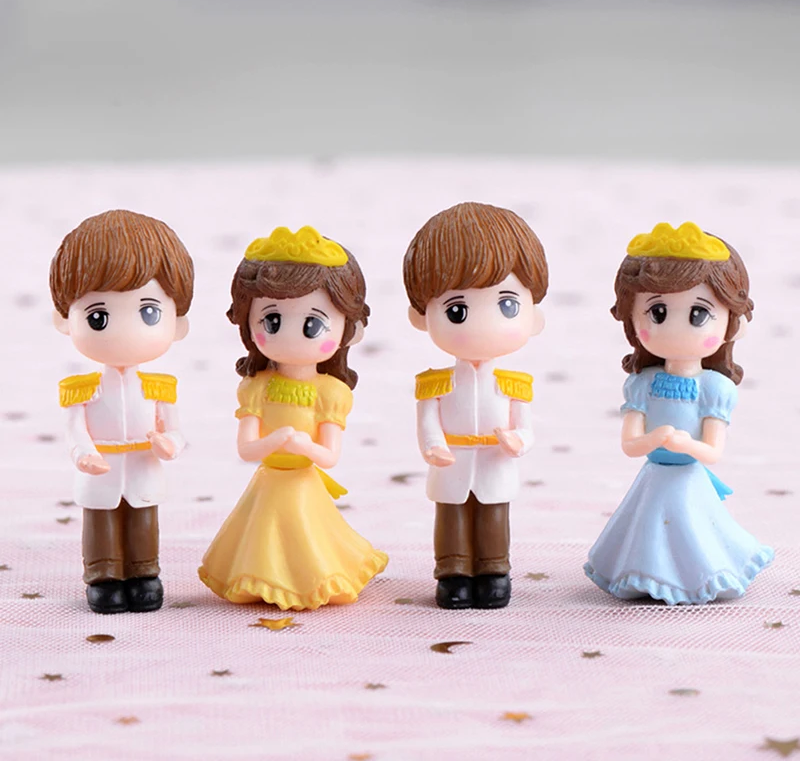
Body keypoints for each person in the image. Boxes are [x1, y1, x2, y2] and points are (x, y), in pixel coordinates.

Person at [198, 226, 388, 610]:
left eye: (312, 324)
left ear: (349, 329)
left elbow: (330, 456)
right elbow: (246, 448)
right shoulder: (257, 388)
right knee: (263, 543)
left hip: (303, 485)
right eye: (271, 321)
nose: (290, 337)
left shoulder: (330, 392)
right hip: (268, 484)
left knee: (308, 542)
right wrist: (273, 443)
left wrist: (303, 446)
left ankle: (308, 583)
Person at [584, 222, 774, 604]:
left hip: (689, 481)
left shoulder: (714, 388)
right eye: (657, 312)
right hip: (654, 480)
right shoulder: (642, 384)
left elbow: (713, 451)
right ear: (633, 318)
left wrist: (686, 444)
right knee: (648, 537)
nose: (674, 328)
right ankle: (647, 577)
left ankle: (694, 580)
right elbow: (629, 444)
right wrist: (654, 440)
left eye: (698, 314)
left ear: (732, 322)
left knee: (694, 536)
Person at [403, 202, 549, 609]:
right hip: (451, 462)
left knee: (494, 516)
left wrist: (518, 441)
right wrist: (433, 447)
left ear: (534, 316)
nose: (482, 326)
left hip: (494, 461)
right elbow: (427, 423)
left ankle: (494, 571)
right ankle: (452, 574)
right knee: (451, 518)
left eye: (507, 305)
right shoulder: (434, 384)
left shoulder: (513, 385)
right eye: (457, 310)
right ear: (421, 316)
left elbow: (526, 426)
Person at [50, 209, 194, 613]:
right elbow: (75, 430)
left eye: (149, 313)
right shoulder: (81, 390)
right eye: (98, 317)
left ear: (177, 324)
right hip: (101, 470)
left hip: (144, 466)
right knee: (101, 523)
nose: (124, 332)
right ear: (64, 319)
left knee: (143, 520)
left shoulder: (159, 388)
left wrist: (169, 444)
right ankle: (103, 577)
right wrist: (83, 454)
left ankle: (144, 573)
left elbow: (176, 430)